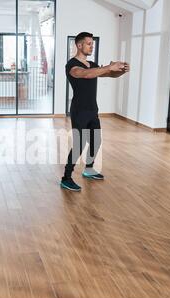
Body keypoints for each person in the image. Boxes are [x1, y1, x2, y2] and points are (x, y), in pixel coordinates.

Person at [61, 32, 130, 192]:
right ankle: (66, 178)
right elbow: (85, 74)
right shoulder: (71, 65)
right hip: (79, 110)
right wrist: (107, 67)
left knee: (96, 141)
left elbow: (110, 74)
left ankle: (89, 169)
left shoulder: (93, 64)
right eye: (89, 43)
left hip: (93, 109)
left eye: (92, 43)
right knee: (79, 144)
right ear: (79, 45)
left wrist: (122, 70)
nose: (92, 46)